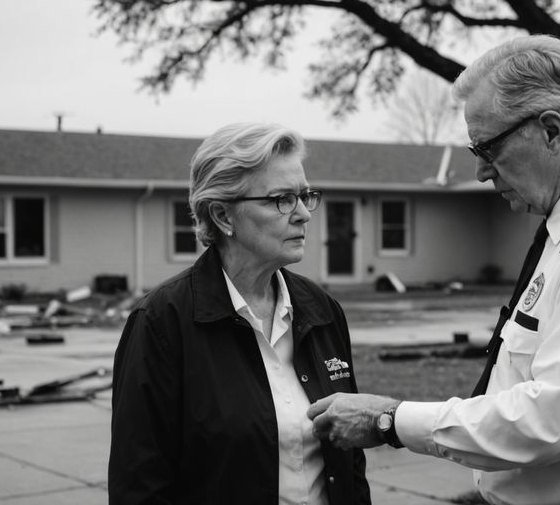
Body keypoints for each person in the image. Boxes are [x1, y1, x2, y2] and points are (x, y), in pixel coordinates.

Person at [307, 35, 560, 505]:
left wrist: (389, 420)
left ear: (552, 132)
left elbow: (553, 423)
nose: (481, 171)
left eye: (488, 148)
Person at [109, 122, 370, 504]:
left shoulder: (322, 310)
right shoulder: (162, 322)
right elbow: (140, 484)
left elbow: (350, 464)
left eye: (304, 195)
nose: (302, 214)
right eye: (281, 198)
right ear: (223, 216)